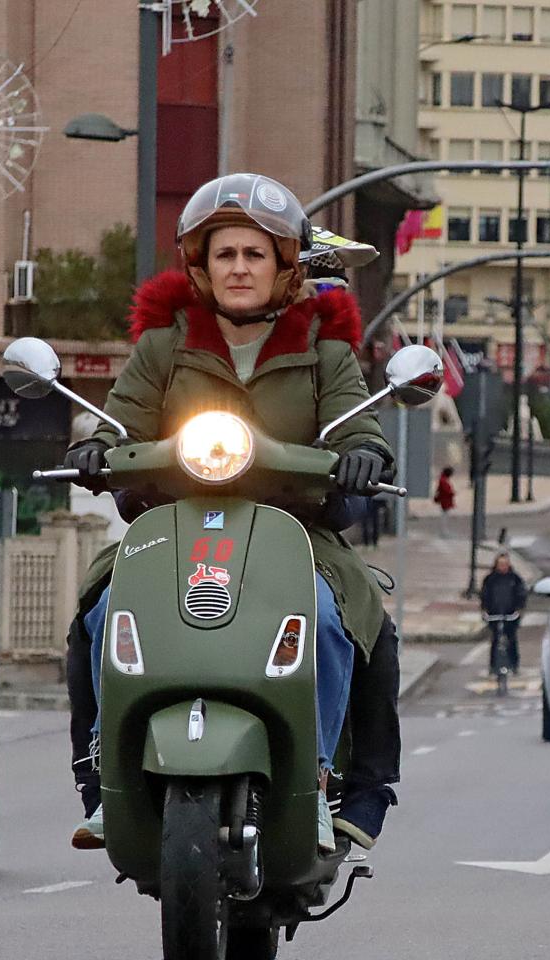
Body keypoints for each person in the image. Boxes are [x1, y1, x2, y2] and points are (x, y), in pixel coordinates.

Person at [61, 173, 401, 855]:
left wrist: (363, 453)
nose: (239, 268)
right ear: (201, 264)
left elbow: (358, 428)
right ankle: (104, 778)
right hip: (175, 526)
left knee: (339, 619)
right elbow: (120, 420)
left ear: (283, 264)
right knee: (99, 611)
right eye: (225, 254)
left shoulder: (323, 350)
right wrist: (97, 448)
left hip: (297, 535)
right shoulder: (164, 346)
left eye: (255, 253)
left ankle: (333, 778)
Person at [479, 552, 528, 675]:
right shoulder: (490, 579)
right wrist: (485, 610)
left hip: (510, 614)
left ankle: (514, 664)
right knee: (495, 640)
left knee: (511, 639)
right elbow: (484, 595)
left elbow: (521, 594)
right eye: (500, 564)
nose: (503, 567)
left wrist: (519, 609)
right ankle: (493, 666)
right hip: (494, 614)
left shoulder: (515, 579)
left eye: (505, 564)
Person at [432, 466, 456, 536]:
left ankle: (444, 531)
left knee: (445, 516)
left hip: (445, 501)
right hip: (445, 501)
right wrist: (452, 493)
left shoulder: (442, 479)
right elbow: (446, 491)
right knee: (444, 517)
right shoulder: (443, 480)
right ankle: (443, 532)